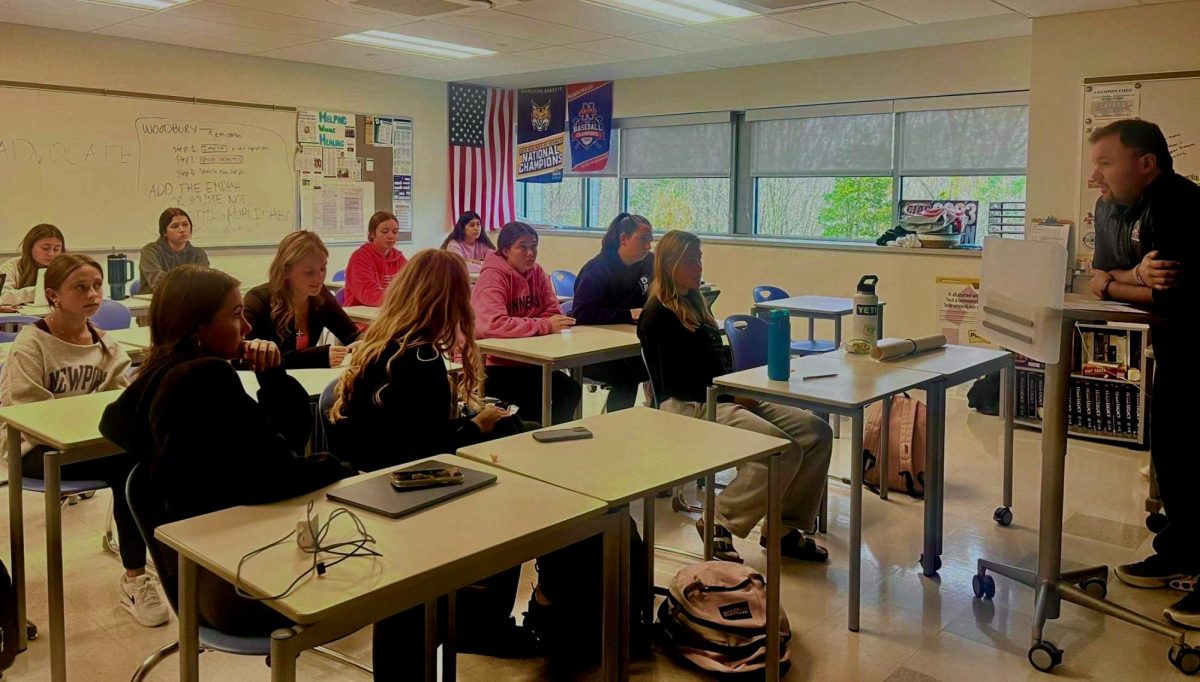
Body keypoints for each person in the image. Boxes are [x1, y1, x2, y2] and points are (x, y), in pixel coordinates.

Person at [97, 265, 428, 678]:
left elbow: (274, 447)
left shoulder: (160, 370)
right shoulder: (206, 378)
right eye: (235, 314)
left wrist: (272, 378)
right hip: (241, 587)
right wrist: (341, 467)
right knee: (414, 574)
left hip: (197, 578)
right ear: (198, 325)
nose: (248, 324)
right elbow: (277, 474)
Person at [327, 248, 538, 657]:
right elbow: (433, 448)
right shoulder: (421, 359)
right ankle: (483, 622)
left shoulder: (381, 345)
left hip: (373, 478)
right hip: (410, 487)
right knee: (517, 502)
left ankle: (480, 618)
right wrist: (475, 424)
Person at [638, 230, 834, 564]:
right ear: (669, 264)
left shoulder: (694, 302)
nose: (698, 266)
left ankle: (782, 527)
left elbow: (717, 360)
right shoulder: (658, 314)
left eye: (699, 258)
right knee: (779, 450)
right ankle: (719, 519)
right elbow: (679, 381)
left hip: (721, 396)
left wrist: (739, 391)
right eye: (690, 260)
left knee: (817, 433)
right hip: (690, 405)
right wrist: (731, 394)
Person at [0, 254, 168, 627]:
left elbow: (121, 399)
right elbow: (26, 414)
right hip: (33, 449)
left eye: (97, 286)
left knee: (140, 464)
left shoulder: (105, 343)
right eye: (80, 287)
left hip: (88, 445)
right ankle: (138, 575)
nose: (93, 294)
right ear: (53, 295)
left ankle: (144, 572)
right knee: (129, 465)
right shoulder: (32, 344)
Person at [1090, 120, 1199, 629]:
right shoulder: (1128, 210)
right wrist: (1121, 278)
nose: (1097, 175)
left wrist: (1113, 286)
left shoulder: (1179, 205)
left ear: (1146, 163)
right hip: (1177, 352)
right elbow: (1100, 270)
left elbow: (1166, 294)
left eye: (1106, 162)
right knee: (1174, 456)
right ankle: (1179, 553)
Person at [472, 221, 581, 425]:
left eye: (534, 246)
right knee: (535, 400)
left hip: (532, 359)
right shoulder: (492, 277)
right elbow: (492, 325)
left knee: (570, 390)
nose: (530, 253)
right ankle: (532, 440)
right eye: (522, 247)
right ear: (505, 250)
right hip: (497, 364)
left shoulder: (538, 273)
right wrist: (542, 325)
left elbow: (553, 312)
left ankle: (551, 439)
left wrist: (531, 325)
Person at [571, 213, 654, 411]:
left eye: (650, 240)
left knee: (664, 363)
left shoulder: (648, 263)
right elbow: (581, 314)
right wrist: (626, 314)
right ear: (623, 239)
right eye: (642, 239)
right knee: (627, 376)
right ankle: (616, 428)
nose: (648, 246)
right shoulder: (597, 270)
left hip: (629, 341)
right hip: (593, 350)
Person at [243, 231, 360, 369]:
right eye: (309, 272)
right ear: (286, 271)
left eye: (323, 268)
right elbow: (246, 359)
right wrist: (317, 357)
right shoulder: (258, 300)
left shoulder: (321, 296)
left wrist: (362, 343)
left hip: (306, 380)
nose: (319, 278)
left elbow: (351, 335)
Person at [138, 207, 210, 294]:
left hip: (190, 301)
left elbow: (205, 282)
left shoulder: (198, 253)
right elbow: (158, 283)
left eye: (185, 224)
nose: (182, 230)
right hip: (156, 302)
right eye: (175, 226)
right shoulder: (150, 251)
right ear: (164, 232)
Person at [343, 210, 407, 307]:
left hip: (389, 311)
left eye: (395, 232)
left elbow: (412, 285)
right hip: (360, 316)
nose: (391, 236)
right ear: (372, 234)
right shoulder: (360, 257)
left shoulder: (399, 258)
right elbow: (368, 294)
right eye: (385, 232)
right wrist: (402, 299)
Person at [0, 223, 65, 305]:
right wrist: (37, 292)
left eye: (56, 249)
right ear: (30, 247)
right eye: (45, 248)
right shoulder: (12, 266)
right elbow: (2, 296)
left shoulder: (65, 268)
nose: (51, 253)